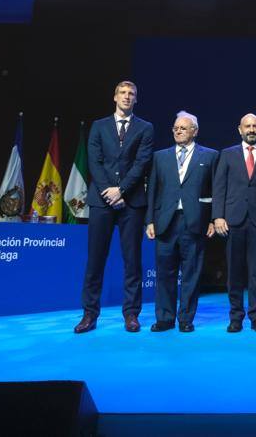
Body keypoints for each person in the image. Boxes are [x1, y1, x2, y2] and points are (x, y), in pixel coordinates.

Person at [75, 81, 154, 335]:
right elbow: (94, 162)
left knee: (132, 262)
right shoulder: (98, 126)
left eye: (132, 93)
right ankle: (89, 314)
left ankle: (131, 314)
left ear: (136, 99)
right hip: (101, 201)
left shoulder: (145, 128)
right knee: (95, 260)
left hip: (131, 203)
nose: (127, 97)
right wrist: (109, 191)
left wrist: (122, 190)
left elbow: (141, 163)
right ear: (115, 97)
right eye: (123, 92)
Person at [146, 111, 217, 333]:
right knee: (165, 274)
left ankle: (186, 319)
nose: (178, 131)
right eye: (175, 128)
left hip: (194, 222)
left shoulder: (210, 156)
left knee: (191, 274)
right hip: (165, 222)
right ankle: (165, 318)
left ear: (194, 131)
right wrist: (150, 220)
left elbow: (216, 191)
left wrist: (213, 220)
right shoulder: (160, 156)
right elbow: (153, 192)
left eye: (183, 128)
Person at [212, 113, 256, 333]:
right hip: (233, 220)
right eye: (247, 126)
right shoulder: (227, 154)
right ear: (239, 129)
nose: (251, 129)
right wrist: (218, 216)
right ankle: (236, 317)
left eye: (255, 126)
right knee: (235, 272)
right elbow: (219, 188)